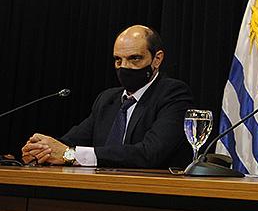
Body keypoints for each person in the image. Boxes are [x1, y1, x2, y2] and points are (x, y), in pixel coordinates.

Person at [21, 25, 193, 169]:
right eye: (118, 60)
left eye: (134, 59)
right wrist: (43, 149)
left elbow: (149, 153)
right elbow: (71, 140)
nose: (124, 67)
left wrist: (70, 155)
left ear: (157, 59)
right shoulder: (107, 99)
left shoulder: (173, 94)